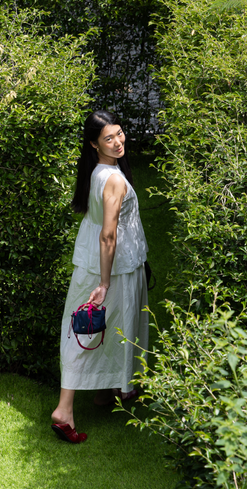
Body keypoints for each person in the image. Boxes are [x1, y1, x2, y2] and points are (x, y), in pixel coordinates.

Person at [51, 110, 149, 443]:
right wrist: (105, 284)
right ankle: (64, 410)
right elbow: (108, 235)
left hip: (94, 262)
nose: (118, 141)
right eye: (109, 138)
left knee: (94, 329)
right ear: (94, 144)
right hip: (112, 268)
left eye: (119, 133)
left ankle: (106, 391)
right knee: (91, 331)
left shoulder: (97, 171)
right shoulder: (114, 180)